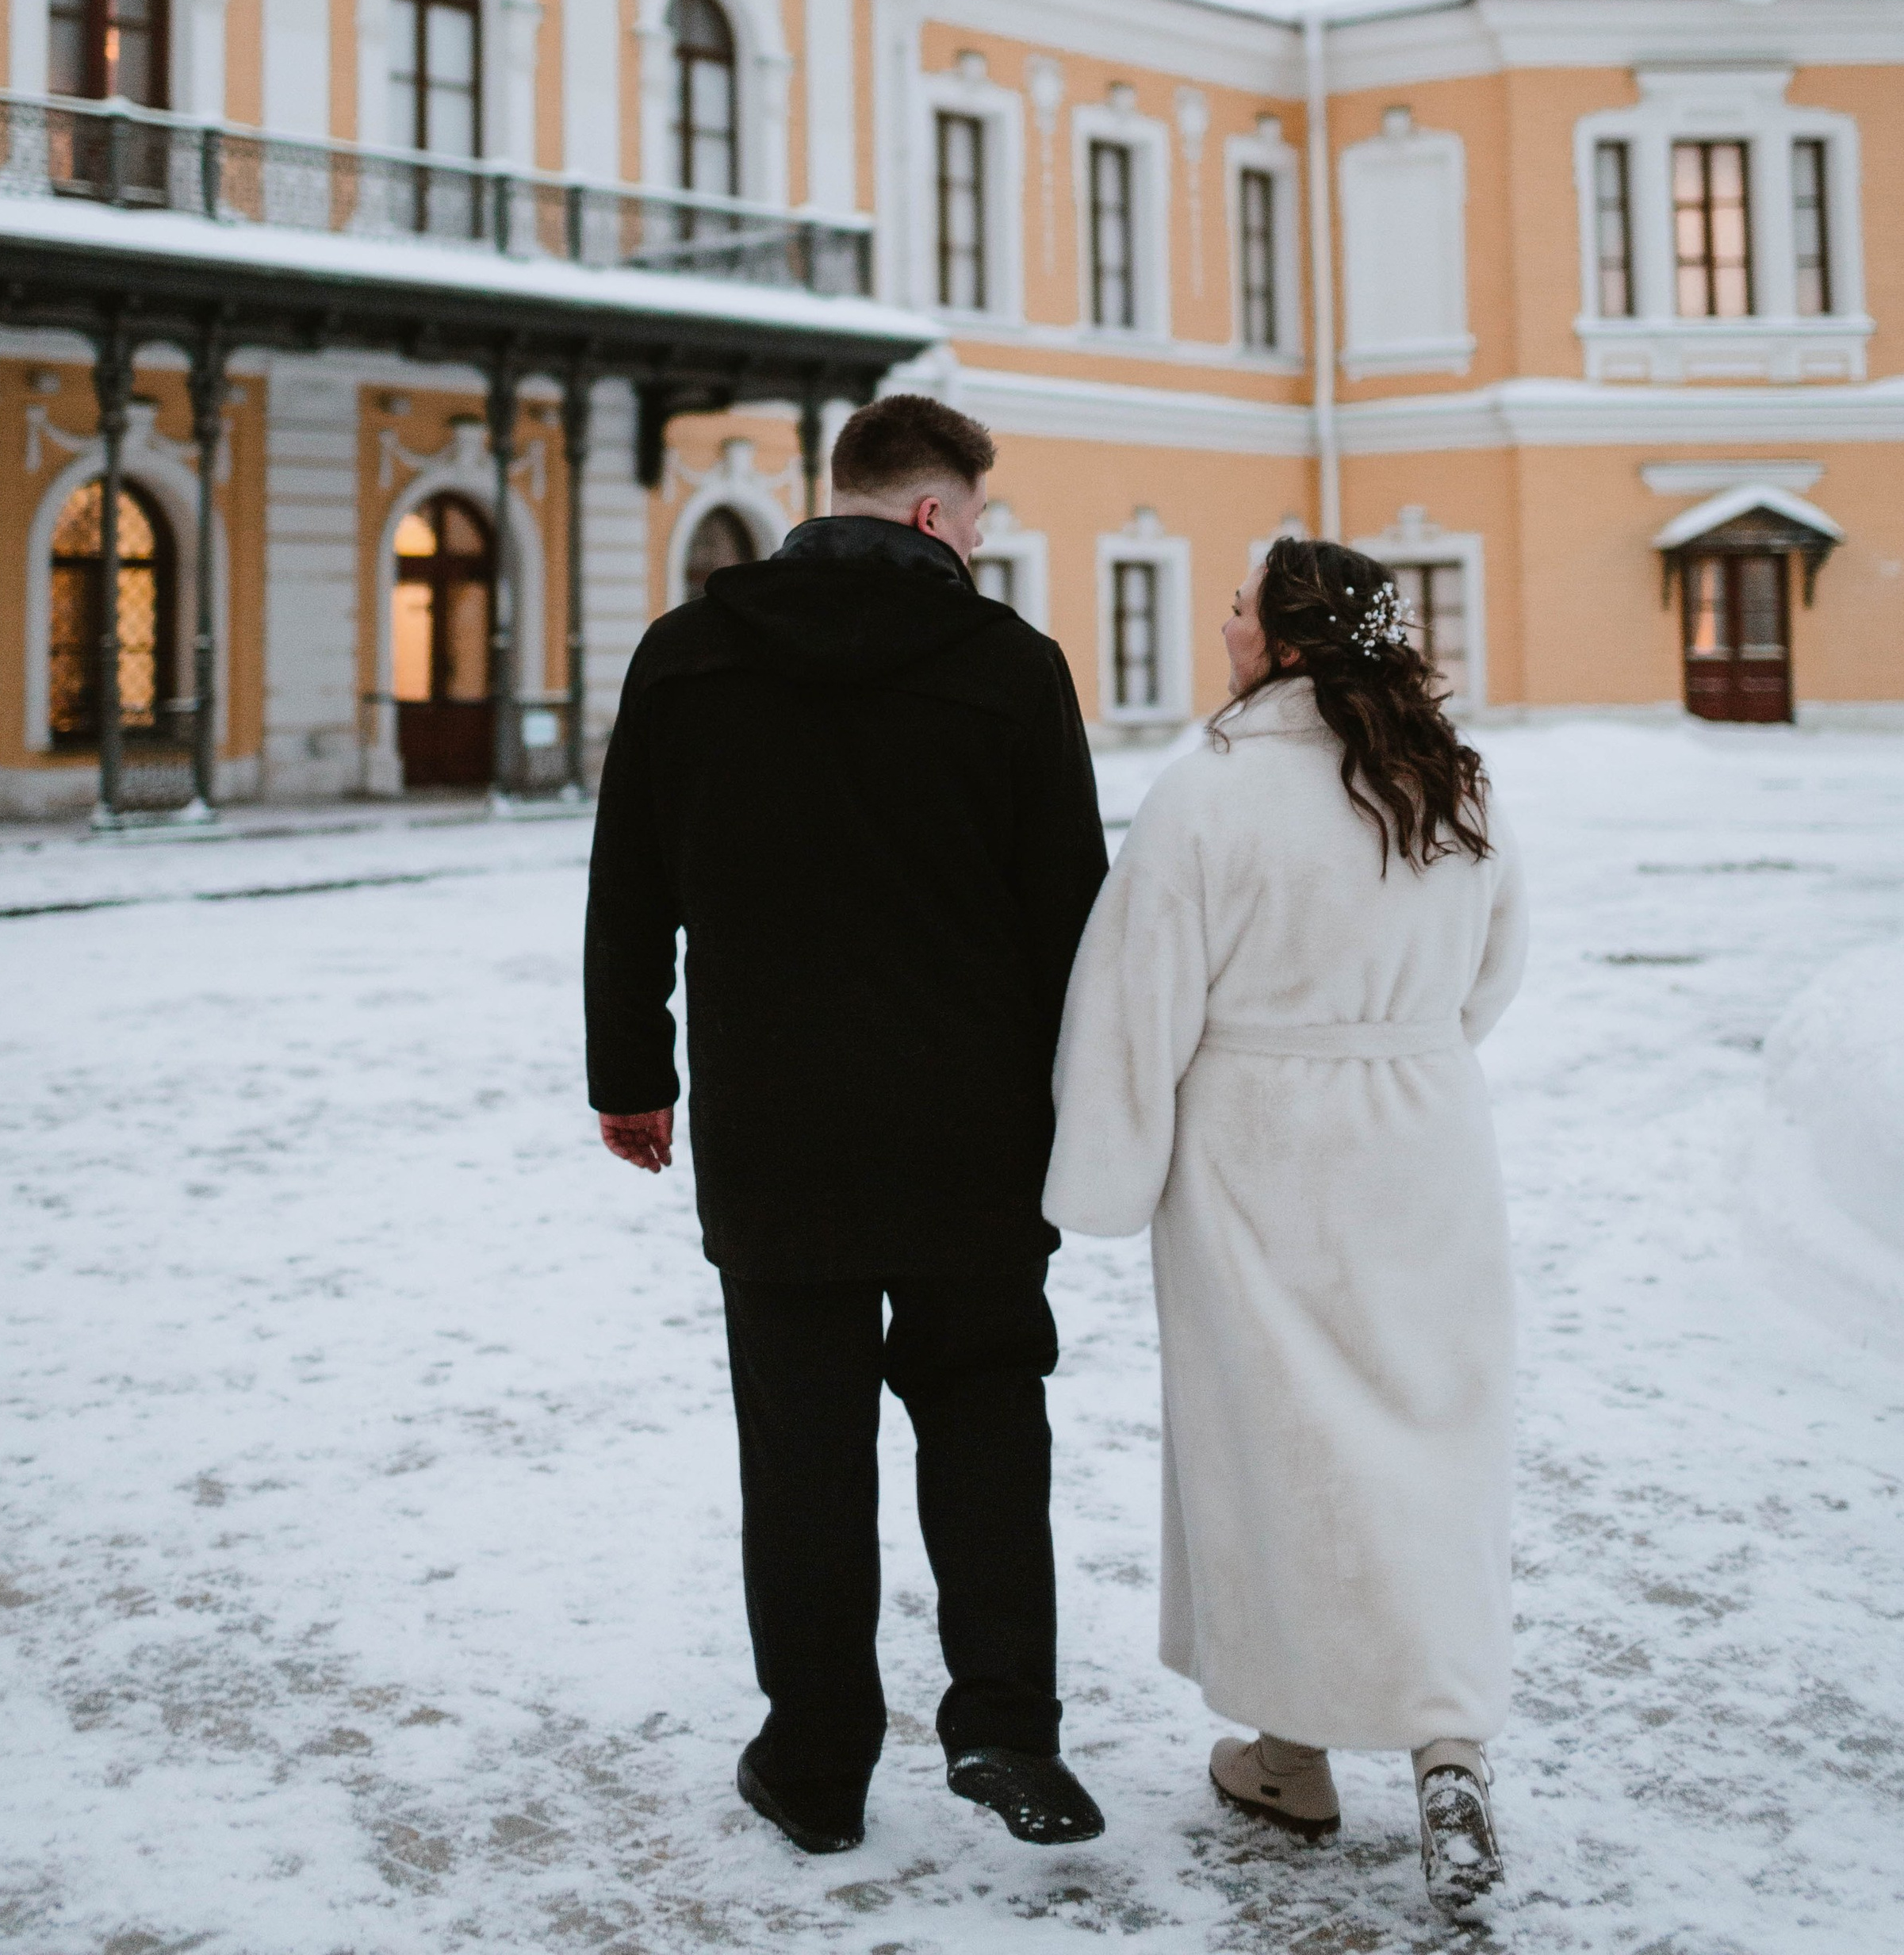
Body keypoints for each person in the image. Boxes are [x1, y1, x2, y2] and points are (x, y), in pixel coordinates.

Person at [584, 393, 1110, 1858]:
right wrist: (1089, 1109)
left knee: (802, 1445)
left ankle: (816, 1766)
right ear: (937, 516)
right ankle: (1007, 1724)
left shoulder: (686, 655)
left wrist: (632, 1076)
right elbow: (1069, 917)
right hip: (974, 1131)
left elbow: (630, 886)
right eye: (981, 516)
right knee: (990, 1412)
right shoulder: (1011, 669)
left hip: (776, 1123)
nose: (984, 540)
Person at [1042, 536, 1527, 1926]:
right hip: (1425, 1139)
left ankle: (1292, 1754)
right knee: (1432, 1434)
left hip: (1259, 1153)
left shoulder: (1209, 795)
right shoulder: (1458, 781)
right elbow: (1493, 970)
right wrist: (1399, 1056)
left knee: (1278, 1448)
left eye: (1243, 607)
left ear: (1292, 643)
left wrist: (1101, 1181)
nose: (1224, 621)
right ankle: (1448, 1746)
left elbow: (1137, 1006)